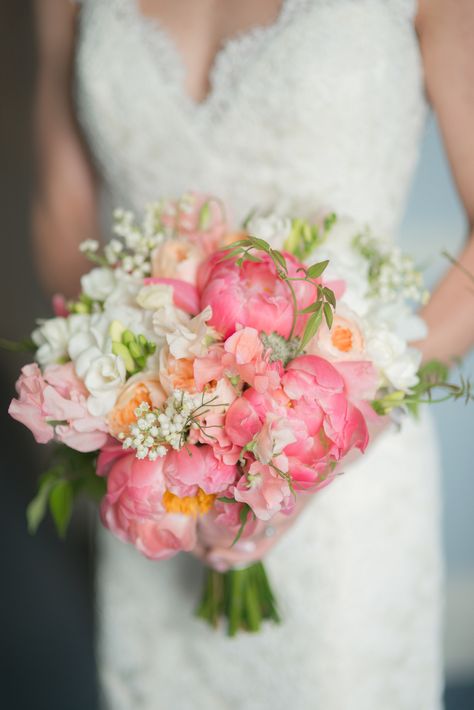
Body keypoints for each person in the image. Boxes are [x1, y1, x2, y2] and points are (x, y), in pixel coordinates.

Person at [32, 1, 474, 708]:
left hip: (348, 487)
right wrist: (151, 429)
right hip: (158, 482)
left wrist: (322, 446)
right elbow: (61, 210)